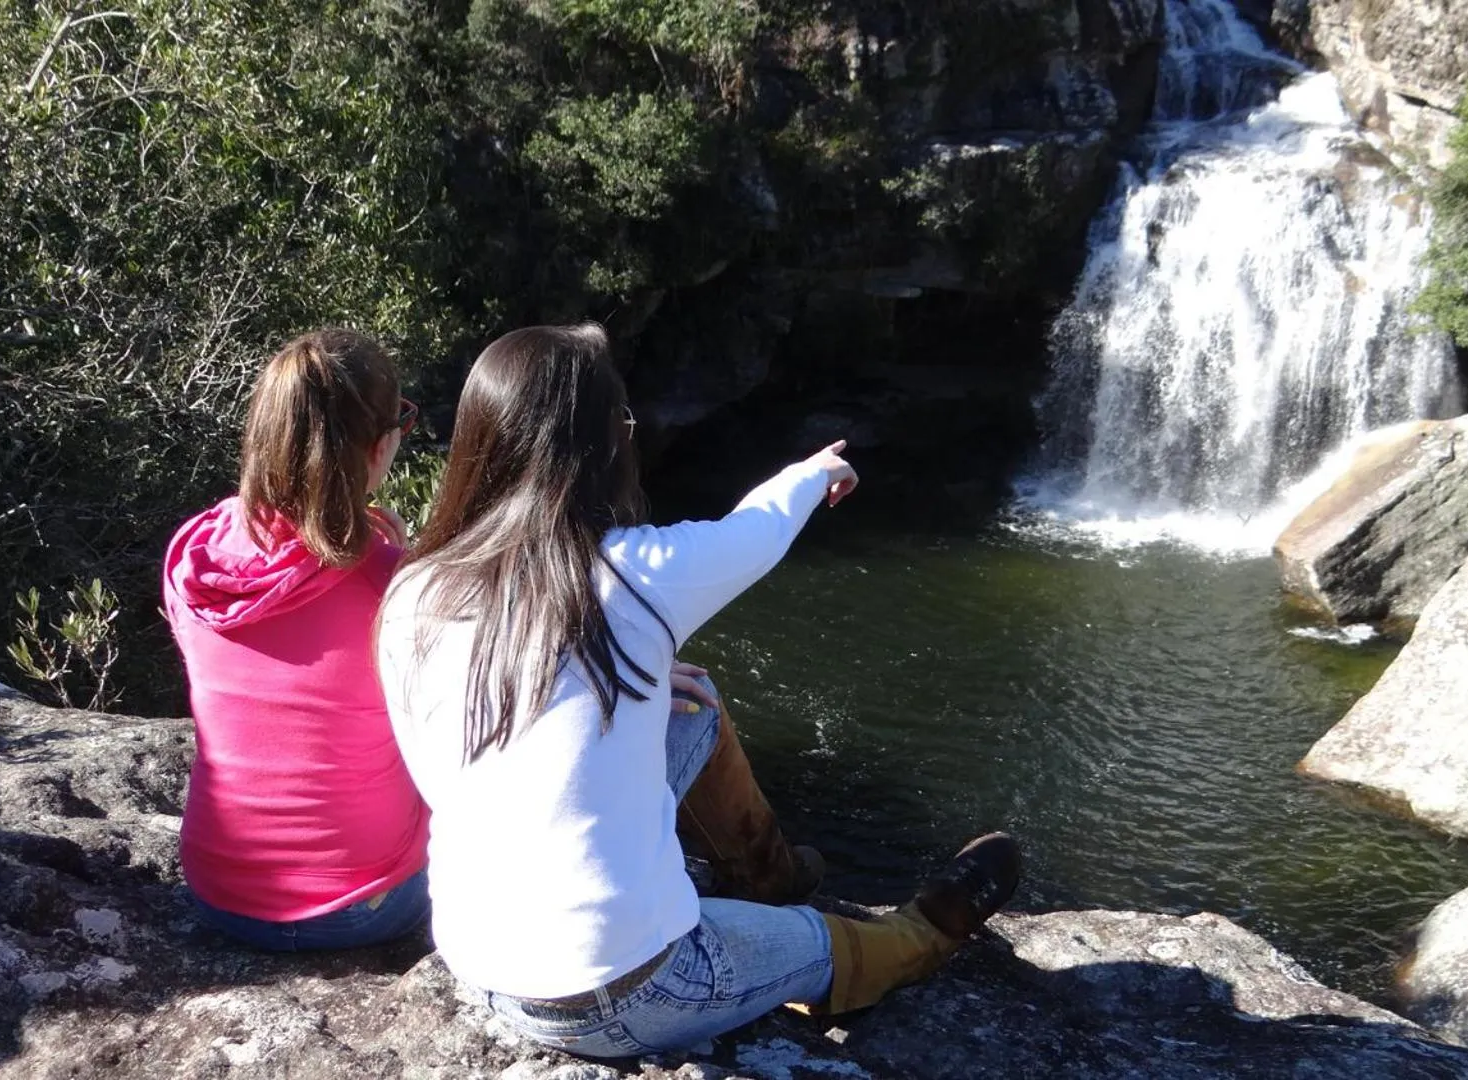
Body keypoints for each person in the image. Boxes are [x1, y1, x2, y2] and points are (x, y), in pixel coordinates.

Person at [375, 323, 1020, 1058]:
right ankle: (919, 931)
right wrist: (815, 473)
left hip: (477, 954)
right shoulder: (633, 577)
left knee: (692, 710)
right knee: (827, 946)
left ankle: (768, 877)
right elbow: (756, 532)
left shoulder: (412, 589)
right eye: (621, 423)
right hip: (617, 992)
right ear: (597, 448)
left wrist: (629, 688)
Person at [162, 328, 430, 950]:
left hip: (216, 891)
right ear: (380, 445)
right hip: (359, 906)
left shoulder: (194, 551)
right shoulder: (392, 585)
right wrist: (402, 559)